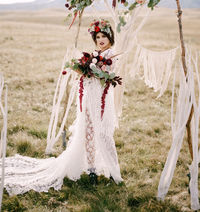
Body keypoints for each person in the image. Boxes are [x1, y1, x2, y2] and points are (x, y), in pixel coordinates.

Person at [0, 19, 122, 196]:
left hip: (102, 102)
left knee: (104, 134)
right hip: (89, 99)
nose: (100, 39)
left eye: (104, 36)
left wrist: (94, 70)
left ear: (110, 37)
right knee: (87, 133)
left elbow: (108, 76)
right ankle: (92, 169)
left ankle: (113, 171)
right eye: (98, 37)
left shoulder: (113, 55)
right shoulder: (94, 55)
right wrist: (83, 71)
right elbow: (89, 78)